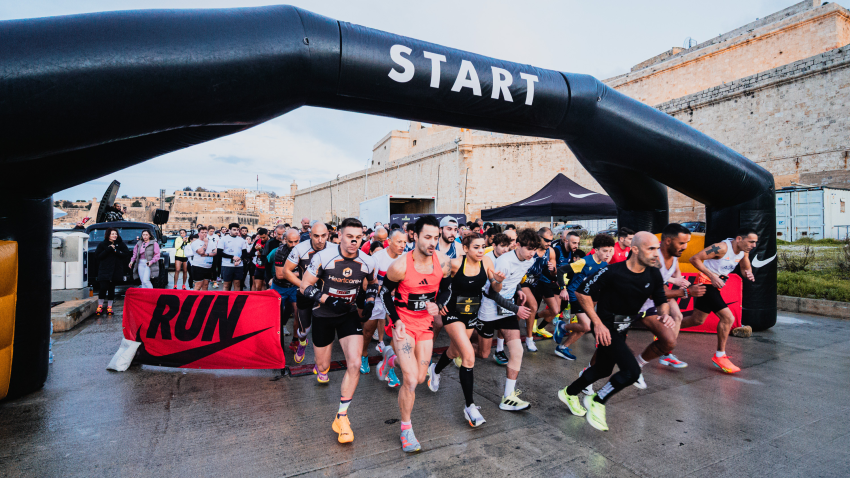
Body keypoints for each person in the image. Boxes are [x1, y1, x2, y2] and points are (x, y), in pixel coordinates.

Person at [557, 232, 673, 432]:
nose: (656, 253)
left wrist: (665, 314)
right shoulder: (611, 271)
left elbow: (661, 299)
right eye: (651, 249)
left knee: (603, 369)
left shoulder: (653, 274)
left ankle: (569, 393)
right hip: (605, 326)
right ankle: (598, 401)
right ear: (635, 249)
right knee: (632, 372)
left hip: (622, 326)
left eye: (657, 248)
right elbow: (582, 292)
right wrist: (597, 323)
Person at [377, 215, 453, 452]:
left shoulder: (443, 261)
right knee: (410, 381)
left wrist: (438, 304)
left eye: (436, 238)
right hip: (405, 325)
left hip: (425, 325)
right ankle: (406, 430)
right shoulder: (400, 266)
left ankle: (390, 359)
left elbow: (447, 289)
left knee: (420, 378)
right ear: (415, 236)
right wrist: (396, 320)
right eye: (427, 237)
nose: (432, 242)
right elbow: (384, 293)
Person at [300, 218, 377, 445]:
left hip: (348, 315)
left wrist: (370, 301)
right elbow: (305, 286)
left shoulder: (368, 261)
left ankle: (341, 417)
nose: (354, 241)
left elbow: (373, 283)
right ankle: (320, 366)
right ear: (340, 236)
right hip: (323, 315)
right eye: (349, 237)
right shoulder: (323, 257)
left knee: (354, 363)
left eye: (358, 238)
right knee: (323, 366)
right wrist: (328, 300)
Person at [427, 232, 508, 427]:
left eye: (483, 247)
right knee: (468, 355)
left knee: (454, 351)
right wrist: (438, 303)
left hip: (471, 313)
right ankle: (470, 406)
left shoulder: (486, 261)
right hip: (452, 313)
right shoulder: (455, 264)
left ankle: (435, 369)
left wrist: (498, 281)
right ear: (465, 249)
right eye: (476, 247)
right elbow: (435, 283)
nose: (481, 251)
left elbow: (495, 289)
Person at [628, 223, 707, 389]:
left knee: (670, 339)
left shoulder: (674, 255)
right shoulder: (653, 258)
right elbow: (653, 290)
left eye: (687, 243)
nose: (685, 247)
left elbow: (671, 277)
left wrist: (681, 283)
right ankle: (586, 378)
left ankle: (638, 365)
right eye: (682, 243)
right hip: (628, 304)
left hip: (649, 305)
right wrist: (686, 292)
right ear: (669, 241)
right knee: (607, 351)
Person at [474, 228, 539, 412]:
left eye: (535, 249)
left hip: (507, 309)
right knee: (483, 354)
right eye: (529, 249)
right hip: (489, 308)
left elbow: (515, 277)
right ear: (517, 245)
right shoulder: (504, 261)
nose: (532, 253)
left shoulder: (529, 260)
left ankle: (508, 397)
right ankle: (460, 351)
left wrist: (518, 290)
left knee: (517, 351)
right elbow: (491, 292)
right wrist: (516, 308)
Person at [683, 228, 758, 374]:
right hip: (705, 283)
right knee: (728, 318)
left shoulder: (743, 251)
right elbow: (694, 259)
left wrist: (748, 273)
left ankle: (665, 330)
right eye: (751, 242)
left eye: (755, 242)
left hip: (715, 286)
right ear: (739, 239)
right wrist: (712, 276)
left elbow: (745, 269)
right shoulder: (721, 248)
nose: (754, 245)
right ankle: (720, 355)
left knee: (697, 320)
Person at [552, 234, 615, 361]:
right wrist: (563, 288)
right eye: (605, 251)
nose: (608, 254)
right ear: (596, 250)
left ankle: (562, 348)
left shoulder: (604, 264)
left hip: (588, 296)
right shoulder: (584, 262)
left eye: (610, 251)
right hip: (575, 294)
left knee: (584, 326)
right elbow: (561, 271)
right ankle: (562, 326)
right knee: (586, 326)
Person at [360, 229, 405, 388]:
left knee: (396, 334)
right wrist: (386, 291)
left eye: (404, 242)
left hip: (396, 301)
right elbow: (366, 285)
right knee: (368, 332)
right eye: (399, 242)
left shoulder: (405, 258)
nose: (402, 245)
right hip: (377, 299)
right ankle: (363, 355)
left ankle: (389, 368)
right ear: (389, 242)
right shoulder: (377, 258)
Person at [284, 222, 329, 363]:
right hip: (305, 294)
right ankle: (302, 343)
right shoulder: (300, 248)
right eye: (316, 236)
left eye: (323, 236)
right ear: (310, 235)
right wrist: (305, 286)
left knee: (323, 330)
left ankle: (321, 363)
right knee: (304, 330)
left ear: (328, 235)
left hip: (324, 295)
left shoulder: (334, 248)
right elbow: (286, 271)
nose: (320, 240)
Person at [272, 229, 302, 350]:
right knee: (275, 316)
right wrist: (300, 273)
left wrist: (289, 273)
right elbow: (280, 275)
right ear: (285, 240)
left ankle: (295, 341)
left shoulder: (304, 249)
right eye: (290, 242)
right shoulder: (280, 251)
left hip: (294, 286)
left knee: (299, 314)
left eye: (296, 241)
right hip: (280, 286)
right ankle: (276, 342)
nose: (294, 244)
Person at [94, 227, 128, 315]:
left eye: (116, 234)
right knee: (103, 288)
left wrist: (116, 250)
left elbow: (125, 254)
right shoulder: (102, 244)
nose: (114, 235)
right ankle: (100, 306)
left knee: (111, 289)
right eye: (112, 234)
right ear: (108, 235)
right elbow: (98, 256)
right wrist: (108, 249)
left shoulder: (120, 244)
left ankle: (110, 307)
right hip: (104, 269)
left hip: (115, 270)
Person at [217, 223, 248, 291]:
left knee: (237, 284)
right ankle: (225, 297)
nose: (236, 231)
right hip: (227, 265)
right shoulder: (223, 239)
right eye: (234, 230)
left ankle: (236, 297)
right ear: (229, 230)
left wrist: (240, 259)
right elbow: (219, 252)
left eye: (237, 230)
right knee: (226, 284)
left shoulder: (241, 240)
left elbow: (245, 252)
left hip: (238, 265)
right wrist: (232, 257)